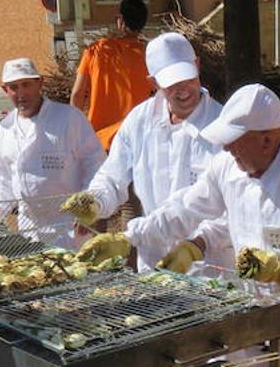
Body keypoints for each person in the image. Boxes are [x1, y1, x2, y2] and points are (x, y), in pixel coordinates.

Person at [78, 83, 280, 367]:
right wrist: (129, 238)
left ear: (267, 139)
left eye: (234, 142)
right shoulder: (229, 167)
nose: (226, 149)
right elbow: (183, 209)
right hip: (252, 317)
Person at [60, 32, 229, 270]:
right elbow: (112, 175)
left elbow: (235, 205)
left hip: (209, 265)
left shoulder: (224, 127)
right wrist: (95, 201)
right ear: (153, 82)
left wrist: (198, 244)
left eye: (188, 79)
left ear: (197, 66)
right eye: (171, 84)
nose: (183, 90)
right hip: (153, 261)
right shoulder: (140, 121)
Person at [0, 57, 104, 248]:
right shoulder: (5, 129)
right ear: (5, 90)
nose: (21, 93)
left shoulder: (68, 118)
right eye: (14, 87)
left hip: (70, 225)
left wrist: (88, 207)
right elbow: (3, 176)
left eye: (26, 84)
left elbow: (96, 163)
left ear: (39, 83)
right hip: (29, 227)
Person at [70, 0, 152, 149]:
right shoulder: (149, 56)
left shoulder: (96, 50)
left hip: (99, 143)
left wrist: (75, 133)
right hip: (137, 141)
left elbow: (77, 94)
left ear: (120, 20)